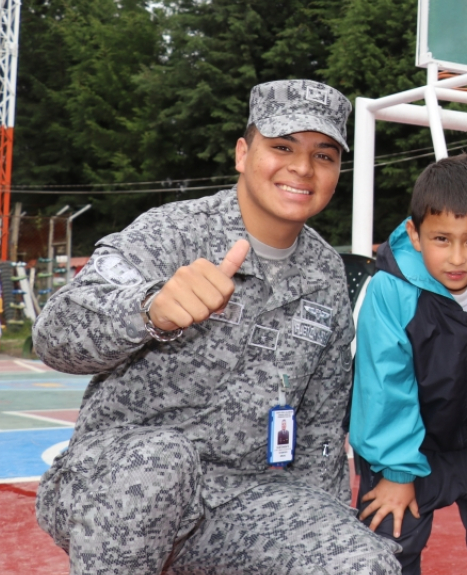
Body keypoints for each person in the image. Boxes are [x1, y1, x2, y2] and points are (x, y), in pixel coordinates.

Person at [32, 80, 400, 575]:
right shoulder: (173, 232)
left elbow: (318, 429)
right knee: (161, 463)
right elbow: (54, 336)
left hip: (242, 500)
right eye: (283, 146)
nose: (302, 168)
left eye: (324, 155)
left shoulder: (325, 274)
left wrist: (323, 528)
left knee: (360, 563)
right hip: (117, 486)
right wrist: (148, 310)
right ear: (243, 153)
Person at [351, 154, 467, 575]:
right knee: (389, 548)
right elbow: (384, 384)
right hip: (401, 448)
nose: (456, 257)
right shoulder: (390, 289)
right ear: (415, 235)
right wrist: (397, 472)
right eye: (441, 239)